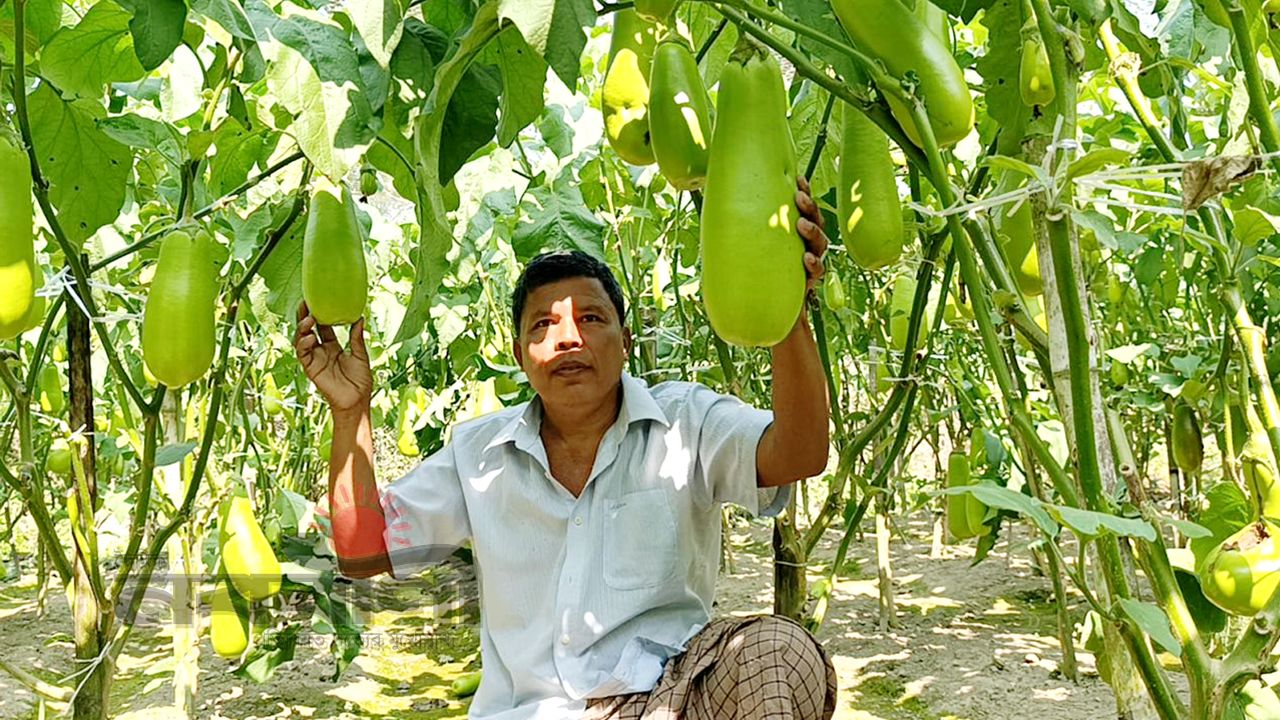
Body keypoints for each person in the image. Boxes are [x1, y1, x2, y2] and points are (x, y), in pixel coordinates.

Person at [294, 177, 837, 719]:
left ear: (625, 342)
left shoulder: (685, 422)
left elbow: (799, 454)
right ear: (521, 353)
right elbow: (364, 553)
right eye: (544, 325)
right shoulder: (478, 454)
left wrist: (786, 306)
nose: (569, 338)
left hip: (667, 699)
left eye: (591, 319)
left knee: (775, 651)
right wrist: (350, 412)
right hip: (527, 712)